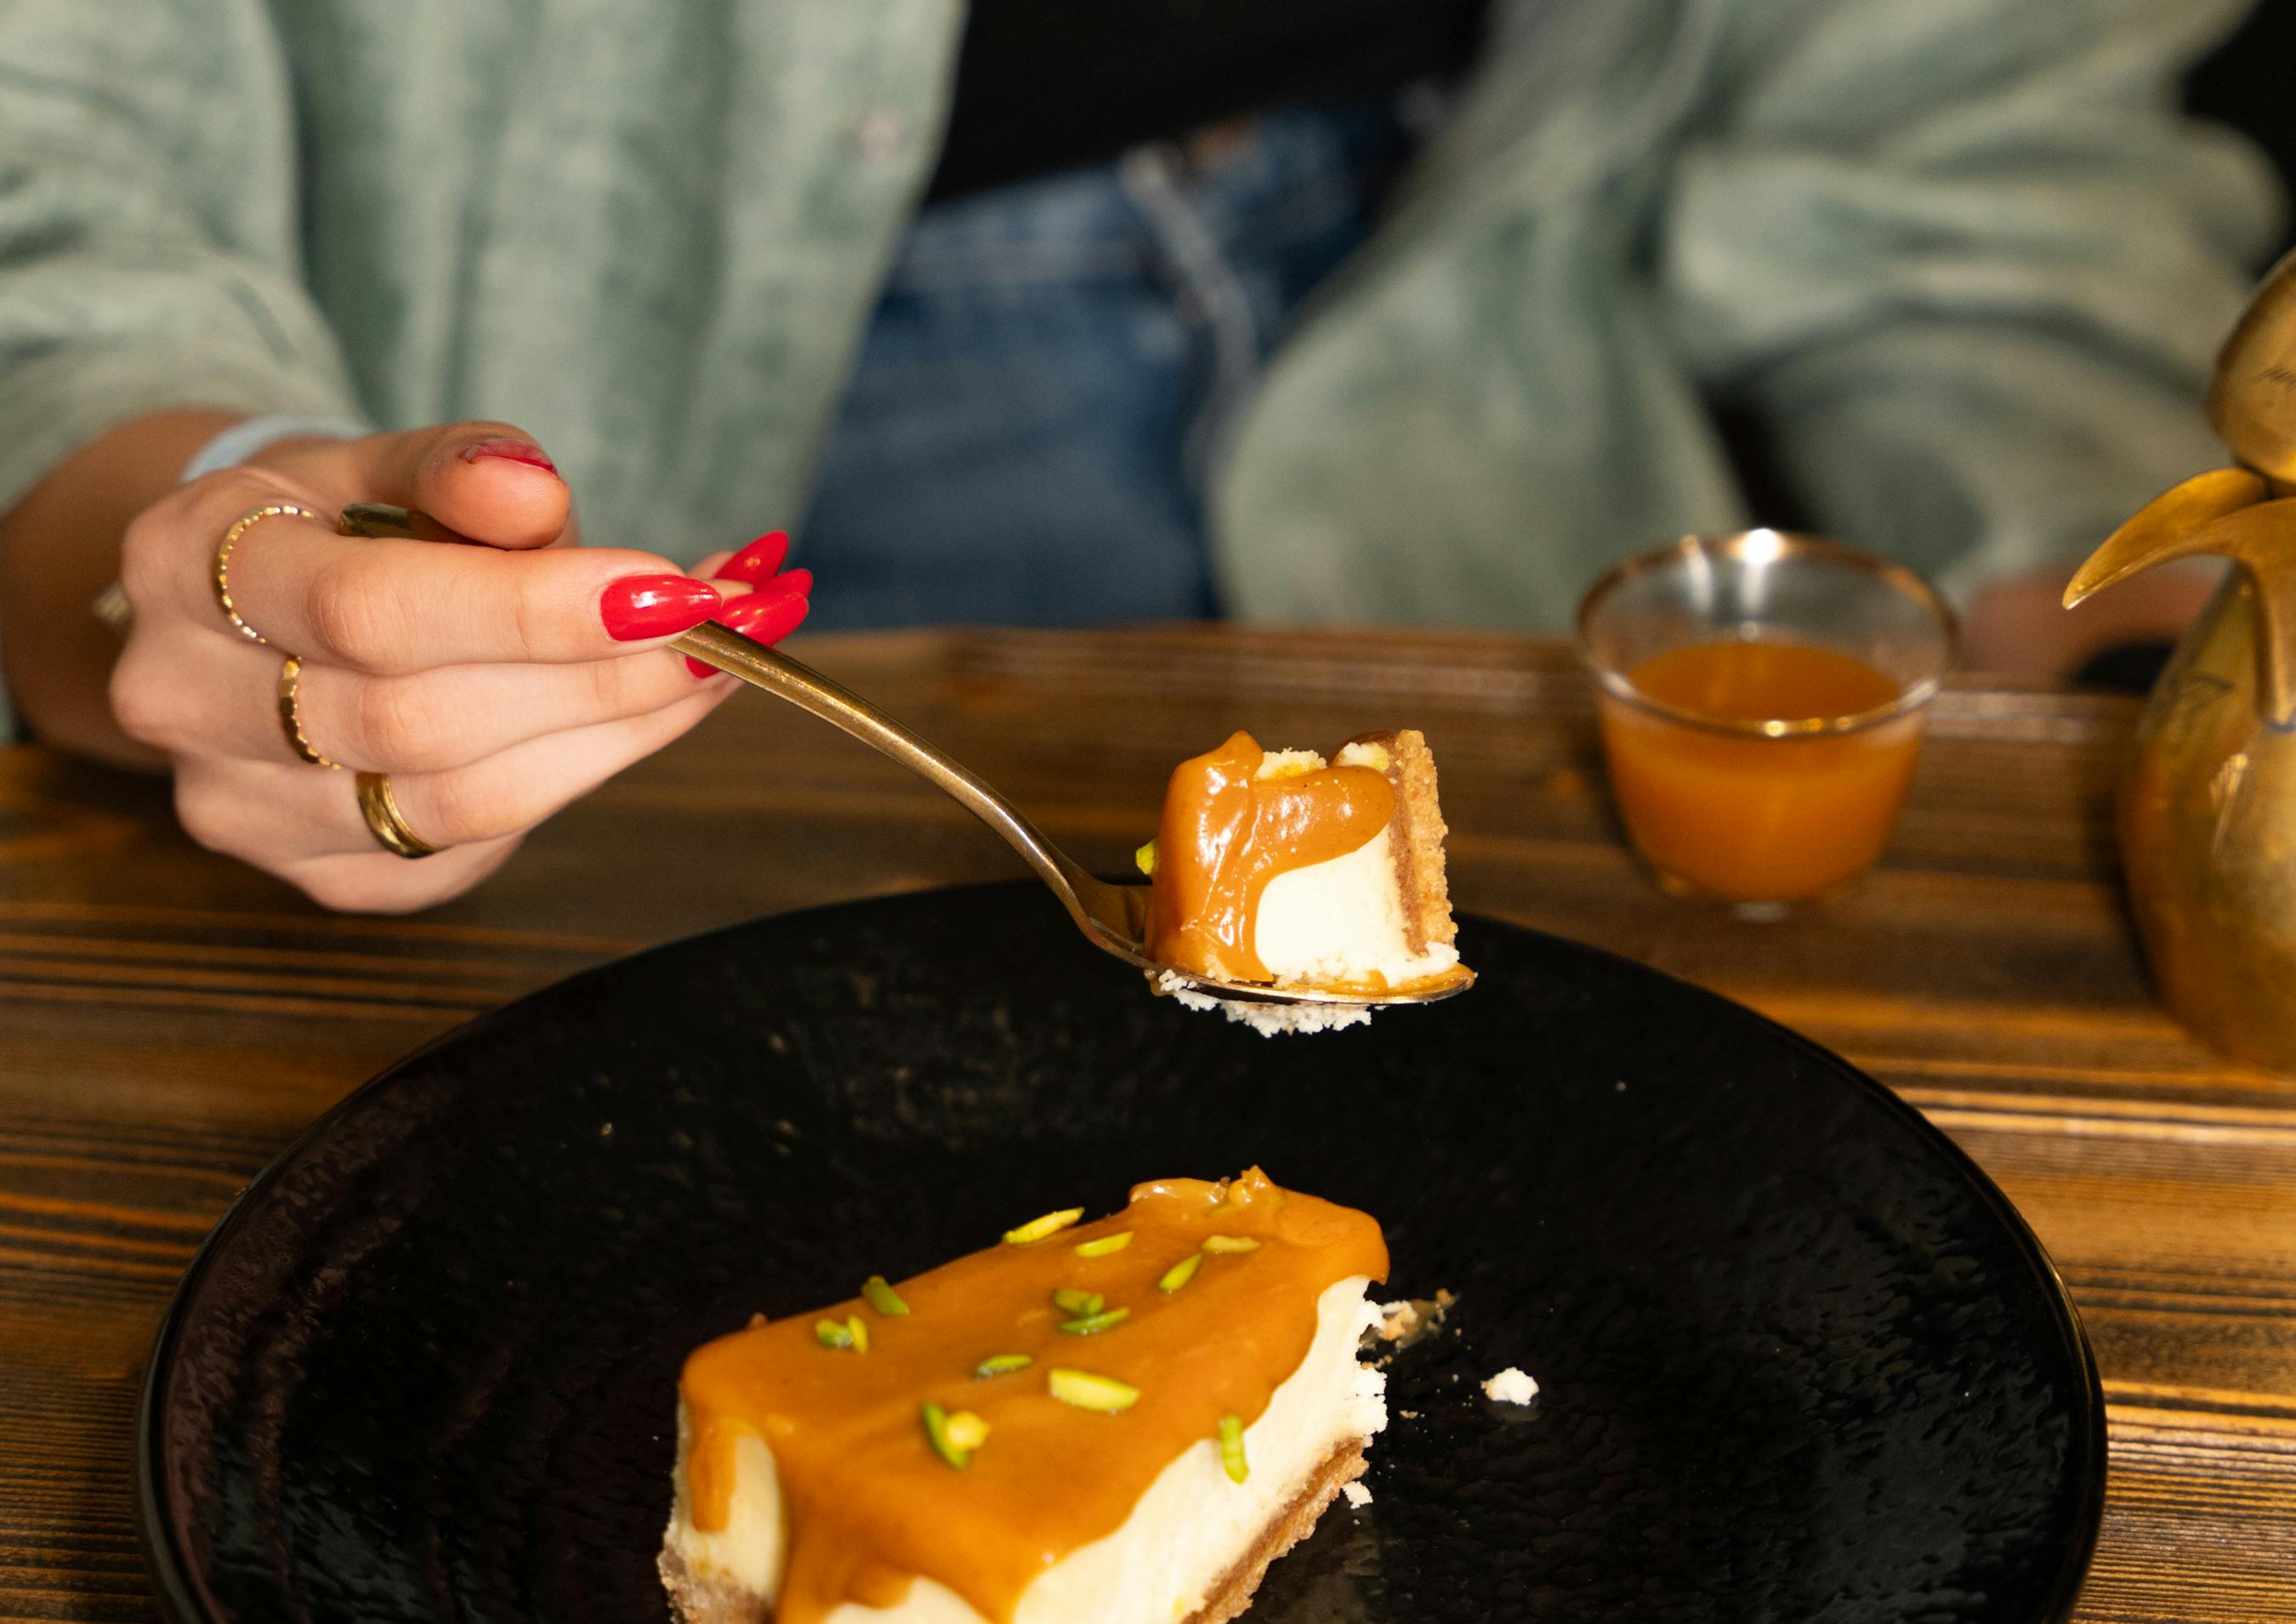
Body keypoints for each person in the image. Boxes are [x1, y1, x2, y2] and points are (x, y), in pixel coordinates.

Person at [0, 0, 2275, 913]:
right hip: (614, 505)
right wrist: (188, 523)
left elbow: (1967, 129)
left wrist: (2168, 602)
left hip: (1514, 415)